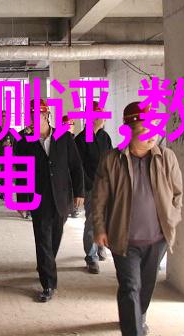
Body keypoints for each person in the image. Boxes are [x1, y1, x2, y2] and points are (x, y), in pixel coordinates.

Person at [92, 101, 183, 336]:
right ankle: (133, 329)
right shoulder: (111, 160)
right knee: (130, 287)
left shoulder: (167, 157)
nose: (151, 135)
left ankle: (139, 315)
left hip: (157, 239)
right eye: (144, 130)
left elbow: (177, 193)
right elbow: (99, 198)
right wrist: (99, 228)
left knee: (147, 285)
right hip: (124, 239)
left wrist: (172, 219)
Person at [14, 99, 85, 302]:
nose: (33, 120)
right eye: (30, 116)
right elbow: (21, 172)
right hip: (38, 198)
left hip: (61, 198)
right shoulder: (24, 141)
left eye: (37, 116)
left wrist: (79, 193)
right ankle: (48, 284)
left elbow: (76, 166)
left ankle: (45, 264)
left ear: (46, 116)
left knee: (54, 238)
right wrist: (22, 200)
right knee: (43, 240)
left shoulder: (64, 137)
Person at [74, 101, 113, 274]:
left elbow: (111, 160)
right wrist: (88, 186)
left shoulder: (105, 137)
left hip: (106, 185)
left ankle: (100, 246)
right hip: (90, 187)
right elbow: (78, 167)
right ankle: (91, 257)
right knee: (91, 221)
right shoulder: (81, 140)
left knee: (104, 219)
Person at [0, 110, 16, 200]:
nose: (4, 118)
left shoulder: (13, 131)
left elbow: (19, 144)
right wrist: (1, 144)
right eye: (2, 116)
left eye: (6, 116)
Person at [63, 115, 81, 219]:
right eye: (65, 125)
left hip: (73, 170)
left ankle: (74, 208)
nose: (68, 127)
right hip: (63, 170)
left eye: (70, 125)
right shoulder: (58, 140)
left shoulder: (77, 140)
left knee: (74, 188)